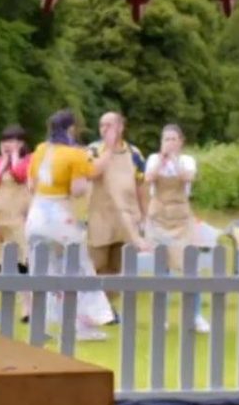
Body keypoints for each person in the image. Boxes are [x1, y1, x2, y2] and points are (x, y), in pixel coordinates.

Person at [26, 109, 114, 341]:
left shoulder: (40, 150)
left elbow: (30, 184)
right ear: (71, 128)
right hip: (58, 217)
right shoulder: (75, 155)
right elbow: (79, 188)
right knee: (77, 267)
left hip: (35, 217)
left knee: (42, 271)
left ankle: (42, 323)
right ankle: (79, 324)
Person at [144, 124, 210, 333]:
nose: (169, 143)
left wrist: (173, 160)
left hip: (181, 219)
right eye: (165, 139)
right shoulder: (154, 160)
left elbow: (187, 178)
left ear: (181, 142)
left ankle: (195, 315)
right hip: (159, 217)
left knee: (191, 268)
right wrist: (162, 159)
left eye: (173, 139)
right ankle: (160, 317)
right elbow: (149, 179)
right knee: (161, 270)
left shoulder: (187, 161)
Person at [87, 112, 150, 320]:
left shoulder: (134, 153)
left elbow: (141, 184)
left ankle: (107, 309)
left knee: (116, 268)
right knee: (96, 264)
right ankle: (90, 308)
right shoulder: (94, 150)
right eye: (101, 125)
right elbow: (92, 173)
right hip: (101, 215)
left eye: (109, 125)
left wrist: (144, 214)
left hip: (128, 217)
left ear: (121, 127)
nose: (104, 129)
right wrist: (109, 149)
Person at [0, 125, 32, 322]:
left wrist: (13, 158)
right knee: (1, 262)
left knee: (23, 261)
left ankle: (27, 308)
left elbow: (21, 175)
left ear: (21, 143)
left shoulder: (28, 161)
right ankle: (4, 306)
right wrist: (4, 160)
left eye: (11, 141)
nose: (7, 145)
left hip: (18, 217)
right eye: (4, 141)